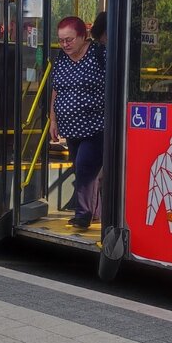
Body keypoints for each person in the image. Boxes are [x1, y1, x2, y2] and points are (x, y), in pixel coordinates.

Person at [49, 16, 105, 229]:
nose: (65, 44)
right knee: (81, 169)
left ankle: (83, 215)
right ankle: (96, 211)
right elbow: (56, 90)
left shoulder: (100, 54)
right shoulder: (61, 59)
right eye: (61, 40)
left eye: (69, 39)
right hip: (71, 128)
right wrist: (53, 119)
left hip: (96, 126)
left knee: (84, 168)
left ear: (83, 36)